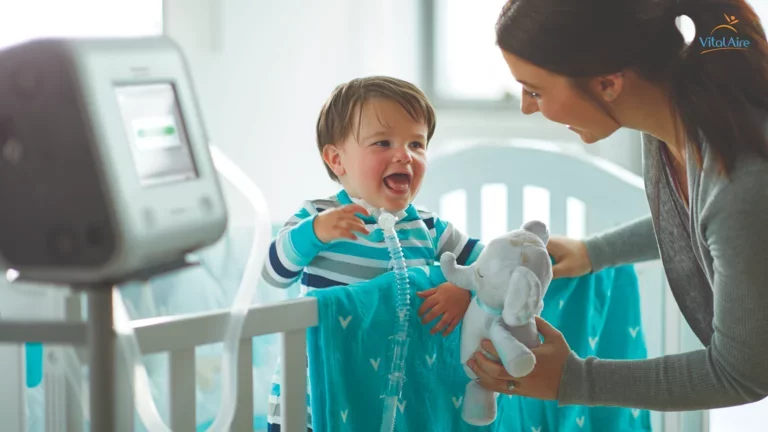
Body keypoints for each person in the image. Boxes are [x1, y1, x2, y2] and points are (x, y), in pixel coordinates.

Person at [468, 0, 768, 411]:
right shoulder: (674, 126)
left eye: (535, 90)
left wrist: (572, 380)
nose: (526, 106)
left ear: (608, 84)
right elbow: (699, 222)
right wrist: (597, 251)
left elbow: (742, 374)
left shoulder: (743, 180)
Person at [261, 76, 485, 431]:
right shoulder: (319, 217)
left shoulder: (429, 228)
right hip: (313, 393)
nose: (404, 155)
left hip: (396, 394)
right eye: (383, 143)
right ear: (337, 159)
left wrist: (465, 289)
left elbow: (489, 267)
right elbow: (274, 272)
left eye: (417, 143)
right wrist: (314, 233)